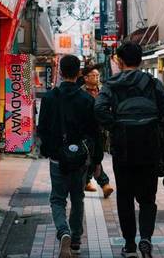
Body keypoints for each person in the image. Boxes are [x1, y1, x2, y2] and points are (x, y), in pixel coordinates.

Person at [94, 42, 164, 258]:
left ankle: (129, 244)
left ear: (119, 60)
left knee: (125, 197)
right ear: (139, 60)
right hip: (150, 148)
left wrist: (116, 126)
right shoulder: (153, 83)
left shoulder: (111, 84)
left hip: (123, 149)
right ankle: (145, 238)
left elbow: (99, 108)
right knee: (148, 198)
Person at [37, 55, 102, 258]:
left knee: (57, 199)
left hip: (58, 157)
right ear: (79, 73)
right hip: (80, 158)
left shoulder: (49, 98)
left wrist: (48, 150)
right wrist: (97, 159)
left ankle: (63, 231)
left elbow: (42, 129)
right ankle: (75, 242)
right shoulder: (87, 99)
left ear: (61, 72)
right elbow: (95, 131)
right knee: (78, 198)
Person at [80, 65, 114, 198]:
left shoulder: (103, 91)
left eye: (98, 76)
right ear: (86, 78)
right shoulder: (80, 92)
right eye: (94, 76)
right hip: (85, 130)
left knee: (94, 155)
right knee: (93, 156)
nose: (97, 78)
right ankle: (104, 184)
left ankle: (87, 181)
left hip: (101, 129)